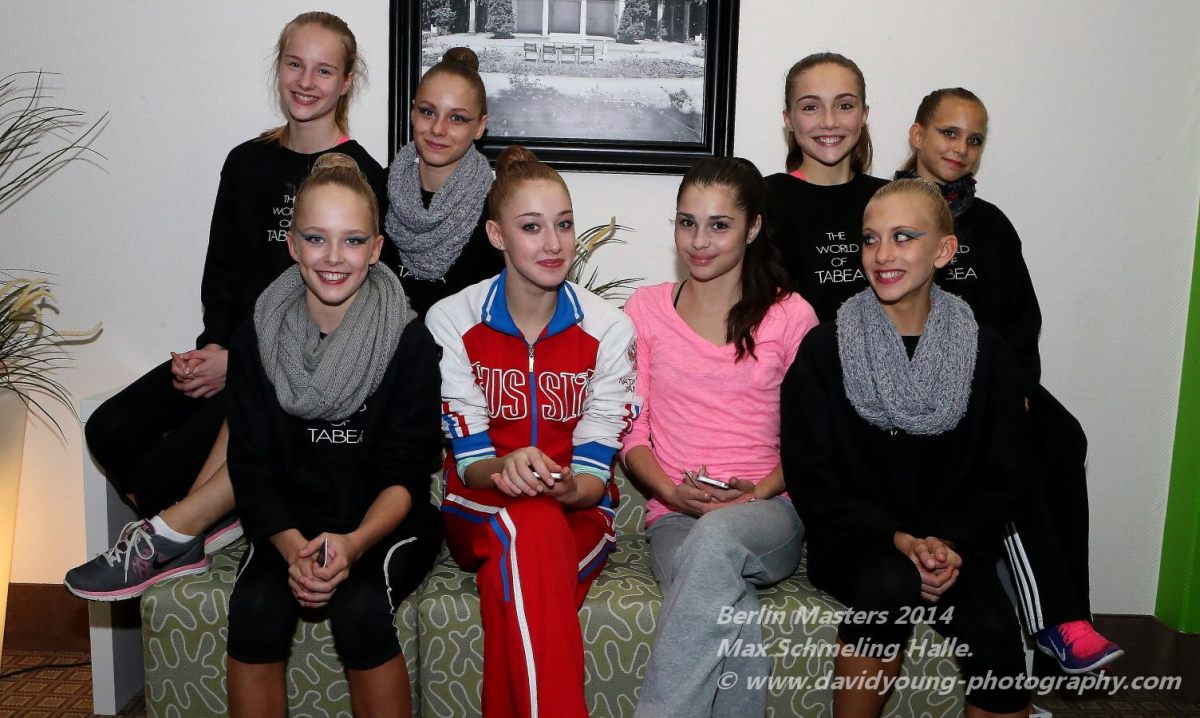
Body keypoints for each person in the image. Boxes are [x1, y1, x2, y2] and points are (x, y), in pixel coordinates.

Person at [66, 11, 391, 600]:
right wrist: (213, 347)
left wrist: (237, 365)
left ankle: (195, 523)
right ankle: (203, 520)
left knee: (163, 476)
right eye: (294, 64)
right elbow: (220, 272)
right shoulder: (247, 162)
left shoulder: (363, 177)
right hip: (225, 350)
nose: (306, 81)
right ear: (278, 68)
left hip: (283, 374)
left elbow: (342, 313)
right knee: (108, 429)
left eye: (324, 70)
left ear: (347, 81)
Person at [782, 179, 1033, 717]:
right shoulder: (825, 348)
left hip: (954, 545)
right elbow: (811, 471)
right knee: (887, 584)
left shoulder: (988, 353)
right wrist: (896, 538)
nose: (882, 254)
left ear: (943, 250)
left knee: (996, 629)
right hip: (857, 541)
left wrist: (949, 544)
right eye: (870, 239)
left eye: (903, 237)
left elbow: (1005, 471)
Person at [896, 87, 1121, 672]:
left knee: (1062, 436)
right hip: (927, 387)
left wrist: (1020, 386)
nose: (960, 148)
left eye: (974, 140)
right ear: (918, 135)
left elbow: (1023, 319)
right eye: (949, 133)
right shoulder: (890, 214)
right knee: (1004, 444)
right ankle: (1057, 621)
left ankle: (1073, 620)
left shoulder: (992, 225)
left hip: (998, 379)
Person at [223, 152, 443, 718]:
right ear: (292, 245)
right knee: (254, 610)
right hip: (290, 523)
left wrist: (353, 544)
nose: (333, 257)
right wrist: (296, 551)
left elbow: (405, 476)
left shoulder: (410, 343)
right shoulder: (254, 340)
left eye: (353, 241)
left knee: (360, 609)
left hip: (382, 521)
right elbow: (253, 471)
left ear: (376, 249)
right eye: (316, 238)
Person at [424, 145, 639, 718]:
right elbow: (471, 464)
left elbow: (592, 476)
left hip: (577, 513)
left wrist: (565, 486)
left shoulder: (609, 329)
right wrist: (506, 466)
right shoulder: (452, 320)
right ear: (496, 235)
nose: (553, 244)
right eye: (531, 227)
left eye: (563, 224)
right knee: (529, 524)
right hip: (479, 504)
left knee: (521, 566)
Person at [624, 158, 817, 717]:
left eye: (719, 225)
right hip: (674, 517)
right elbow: (632, 431)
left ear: (752, 227)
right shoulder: (645, 309)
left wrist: (755, 494)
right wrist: (670, 491)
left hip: (768, 512)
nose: (699, 241)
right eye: (687, 223)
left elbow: (811, 440)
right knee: (731, 607)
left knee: (716, 539)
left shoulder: (790, 315)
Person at [765, 52, 887, 322]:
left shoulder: (891, 199)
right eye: (811, 107)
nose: (829, 122)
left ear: (864, 114)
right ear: (788, 119)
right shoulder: (762, 199)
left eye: (844, 106)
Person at [384, 46, 504, 317]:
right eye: (428, 112)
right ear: (413, 112)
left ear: (480, 126)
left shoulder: (498, 210)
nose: (438, 129)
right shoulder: (375, 192)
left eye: (457, 118)